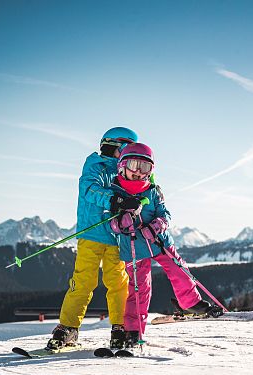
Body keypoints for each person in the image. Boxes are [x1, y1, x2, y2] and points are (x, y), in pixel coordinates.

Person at [107, 142, 222, 348]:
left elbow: (165, 214)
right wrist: (123, 220)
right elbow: (112, 224)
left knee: (179, 270)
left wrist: (156, 226)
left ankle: (191, 303)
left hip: (159, 242)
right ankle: (134, 329)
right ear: (122, 166)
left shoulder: (153, 190)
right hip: (134, 248)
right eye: (133, 165)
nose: (138, 172)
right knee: (139, 289)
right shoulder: (115, 194)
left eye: (144, 167)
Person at [48, 127, 143, 350]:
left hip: (116, 236)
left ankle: (119, 328)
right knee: (83, 281)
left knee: (118, 283)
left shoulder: (124, 172)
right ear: (117, 147)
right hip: (91, 234)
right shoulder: (95, 165)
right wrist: (118, 201)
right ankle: (68, 327)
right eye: (127, 149)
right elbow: (90, 189)